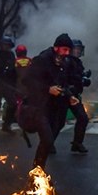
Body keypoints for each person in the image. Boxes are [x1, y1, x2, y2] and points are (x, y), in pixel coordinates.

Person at [22, 33, 74, 168]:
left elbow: (63, 83)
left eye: (69, 50)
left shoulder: (64, 62)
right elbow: (27, 80)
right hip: (38, 106)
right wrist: (47, 89)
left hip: (54, 107)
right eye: (64, 50)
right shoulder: (42, 60)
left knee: (48, 141)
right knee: (47, 139)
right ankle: (37, 171)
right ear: (56, 48)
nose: (67, 53)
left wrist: (69, 96)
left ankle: (38, 169)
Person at [64, 39, 91, 153]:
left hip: (74, 96)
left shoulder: (78, 62)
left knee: (83, 118)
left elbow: (77, 76)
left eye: (79, 49)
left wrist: (84, 77)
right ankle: (48, 143)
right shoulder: (66, 61)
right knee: (58, 122)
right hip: (64, 95)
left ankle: (77, 143)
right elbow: (64, 78)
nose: (78, 51)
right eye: (76, 48)